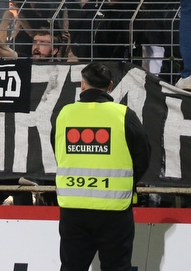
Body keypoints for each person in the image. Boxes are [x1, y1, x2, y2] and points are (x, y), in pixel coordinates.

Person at [53, 62, 150, 271]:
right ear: (110, 86)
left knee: (71, 267)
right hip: (114, 210)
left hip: (73, 208)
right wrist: (125, 182)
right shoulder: (124, 115)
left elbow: (58, 151)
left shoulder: (64, 114)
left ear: (83, 85)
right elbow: (143, 157)